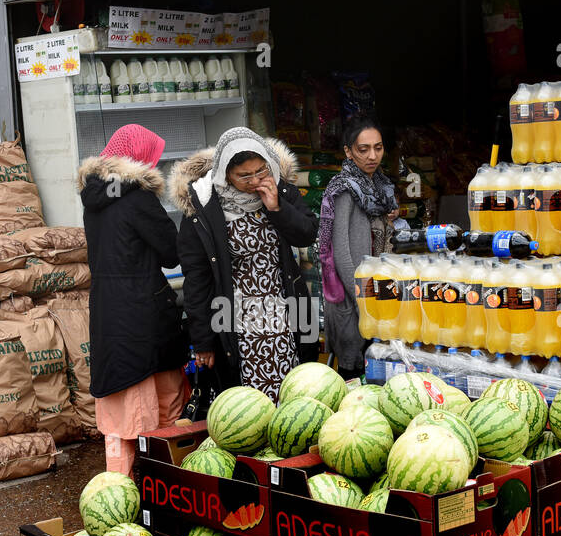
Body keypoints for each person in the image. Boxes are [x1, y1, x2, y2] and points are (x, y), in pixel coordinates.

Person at [170, 127, 319, 403]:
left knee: (296, 395)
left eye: (261, 171)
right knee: (249, 404)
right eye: (244, 176)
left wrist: (277, 208)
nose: (255, 181)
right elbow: (197, 278)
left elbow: (307, 233)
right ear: (225, 173)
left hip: (288, 312)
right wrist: (202, 339)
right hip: (237, 321)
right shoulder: (203, 207)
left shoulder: (281, 189)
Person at [77, 124, 189, 476]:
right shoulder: (138, 197)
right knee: (161, 411)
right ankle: (167, 493)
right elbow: (171, 253)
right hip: (145, 317)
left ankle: (117, 494)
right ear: (142, 160)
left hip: (109, 317)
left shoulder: (94, 198)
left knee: (121, 418)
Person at [317, 116, 399, 379]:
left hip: (373, 291)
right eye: (363, 149)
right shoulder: (343, 190)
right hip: (353, 297)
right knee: (352, 373)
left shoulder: (379, 187)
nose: (372, 155)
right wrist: (362, 299)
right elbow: (339, 251)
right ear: (348, 152)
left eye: (378, 147)